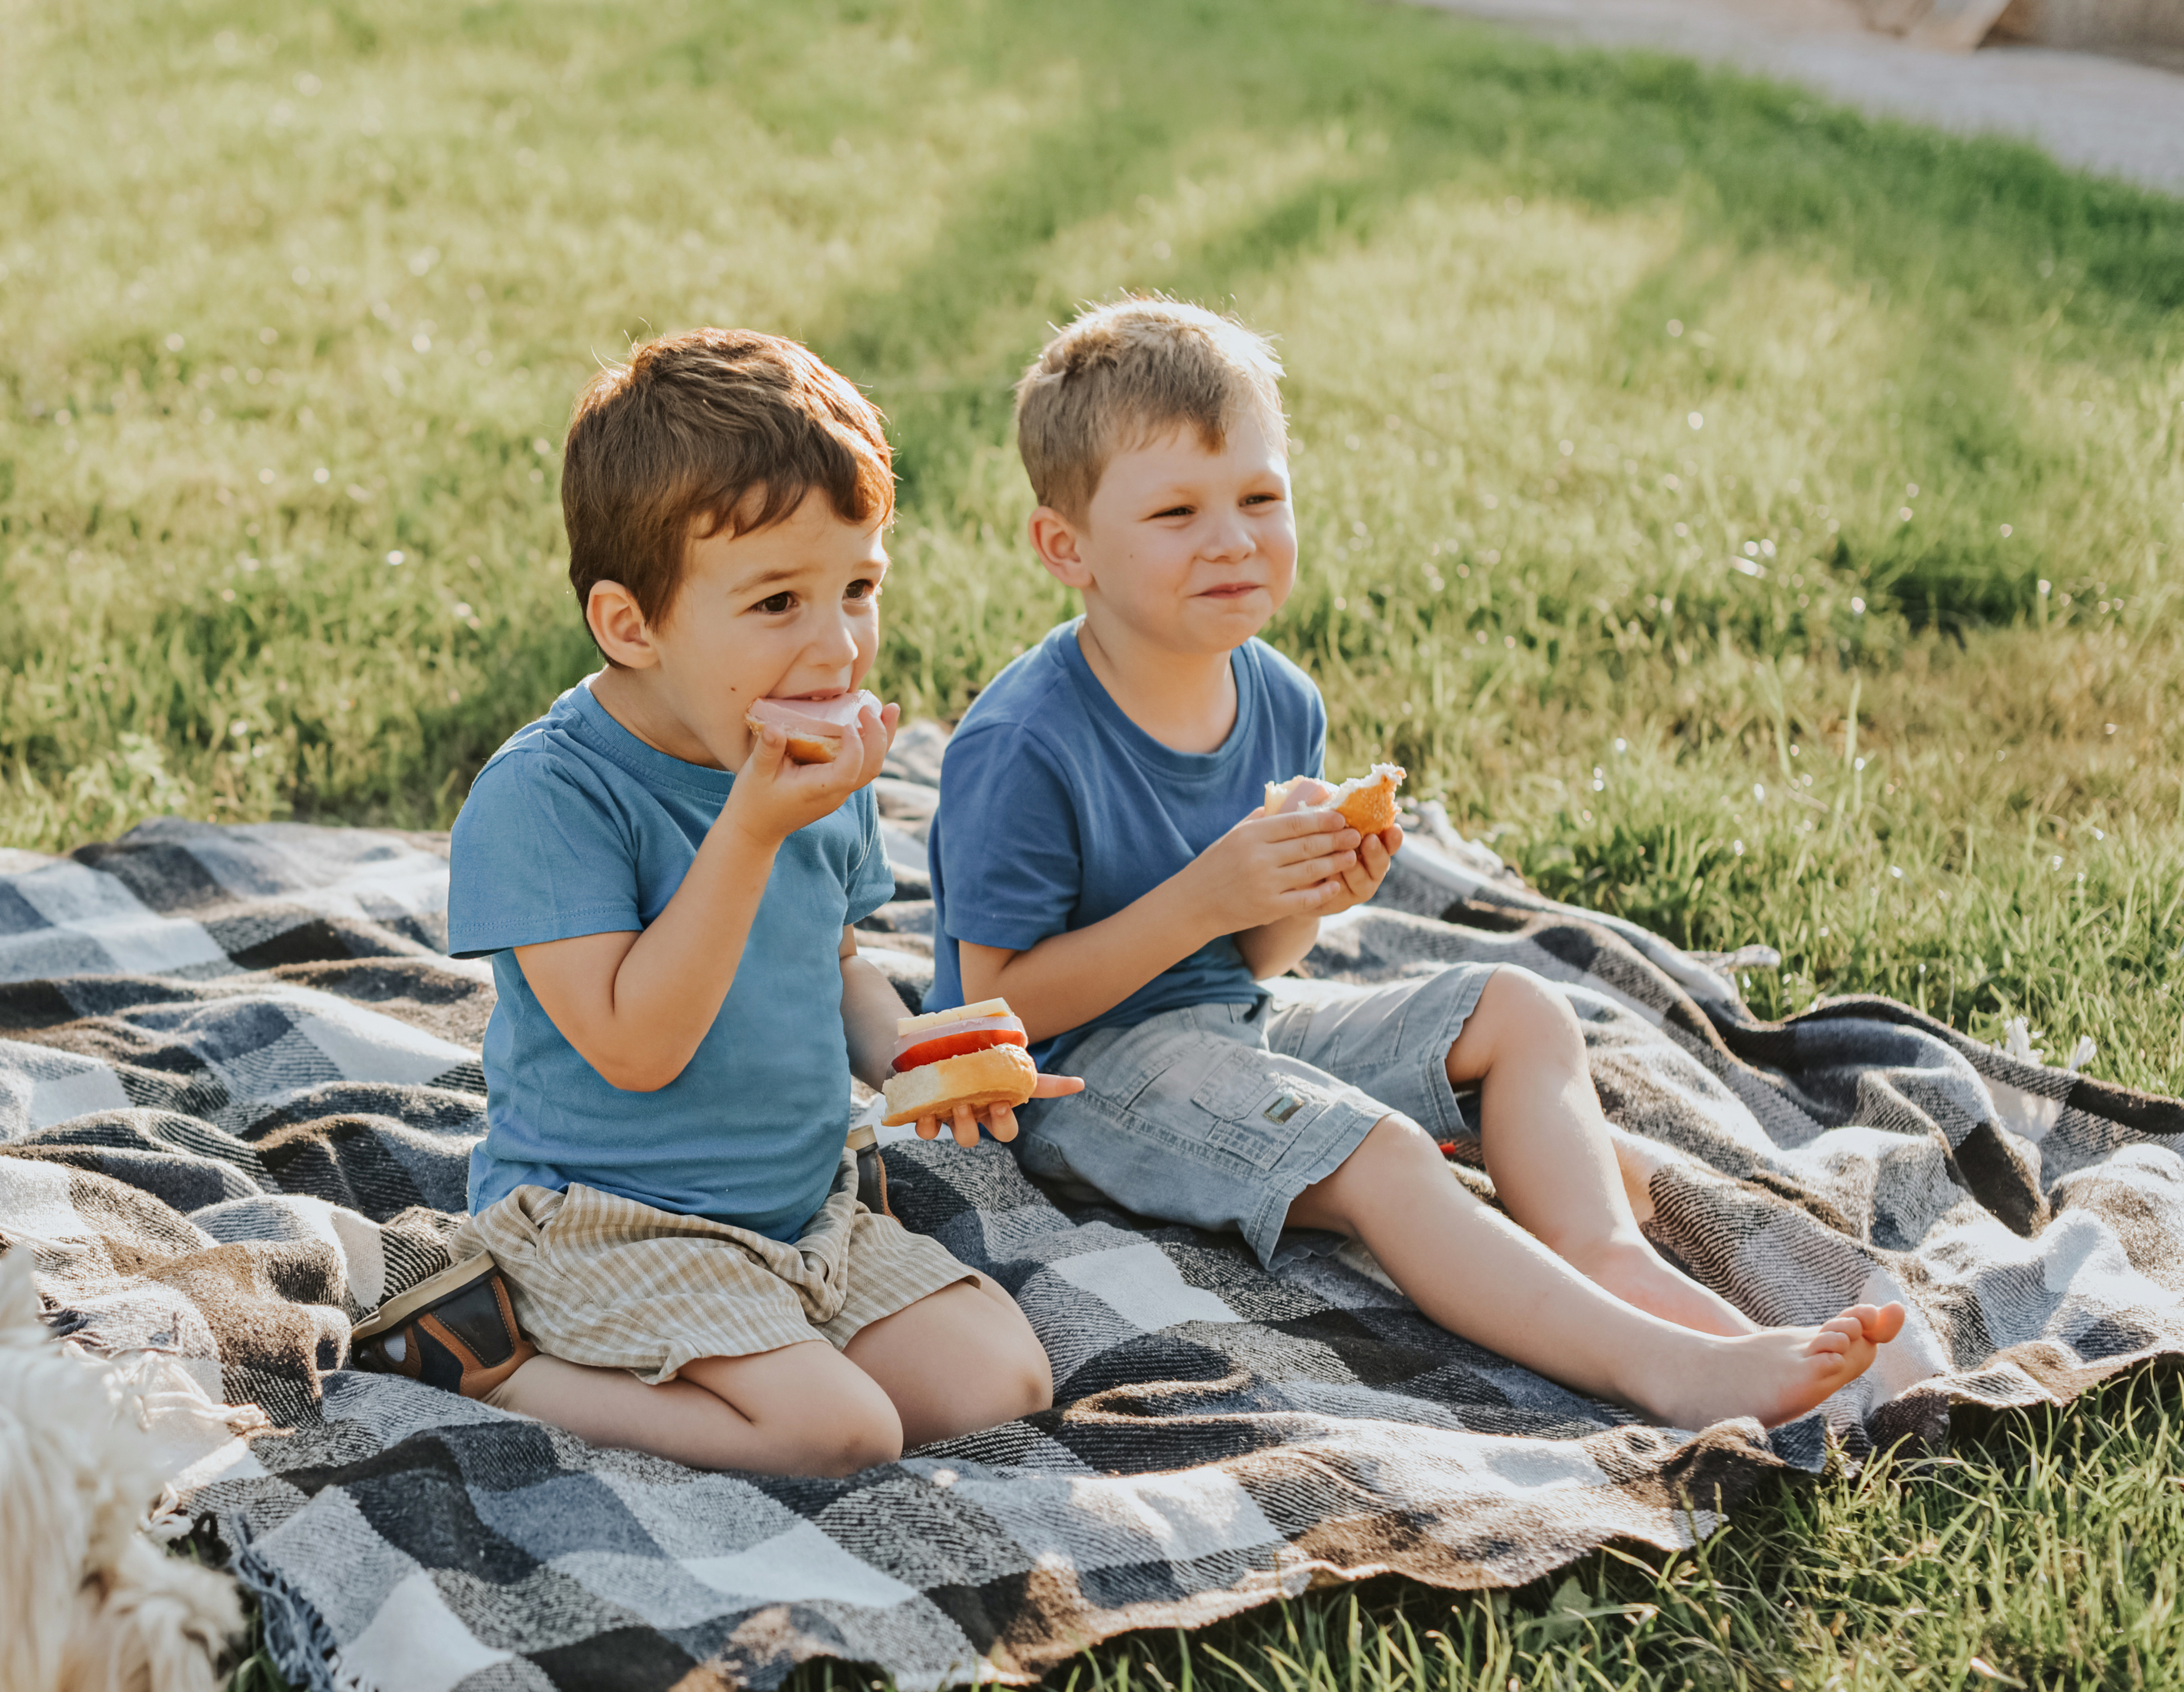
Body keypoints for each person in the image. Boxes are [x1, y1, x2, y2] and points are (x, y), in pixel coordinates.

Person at [925, 294, 1902, 1432]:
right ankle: (1654, 1365)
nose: (1233, 538)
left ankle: (1615, 1262)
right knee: (1384, 1154)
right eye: (1176, 511)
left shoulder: (1278, 695)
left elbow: (1257, 959)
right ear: (1066, 547)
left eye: (1260, 497)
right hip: (1072, 1082)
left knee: (1522, 1005)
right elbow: (994, 1009)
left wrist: (1314, 894)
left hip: (1232, 1022)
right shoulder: (1024, 740)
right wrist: (1207, 897)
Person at [361, 329, 1072, 1477]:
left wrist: (929, 1059)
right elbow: (636, 1046)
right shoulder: (547, 796)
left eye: (858, 588)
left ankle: (754, 1341)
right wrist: (748, 831)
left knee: (1002, 1382)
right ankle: (484, 1356)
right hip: (607, 1221)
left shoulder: (797, 744)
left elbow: (831, 961)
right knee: (836, 1434)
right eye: (779, 600)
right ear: (631, 623)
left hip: (794, 1216)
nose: (837, 646)